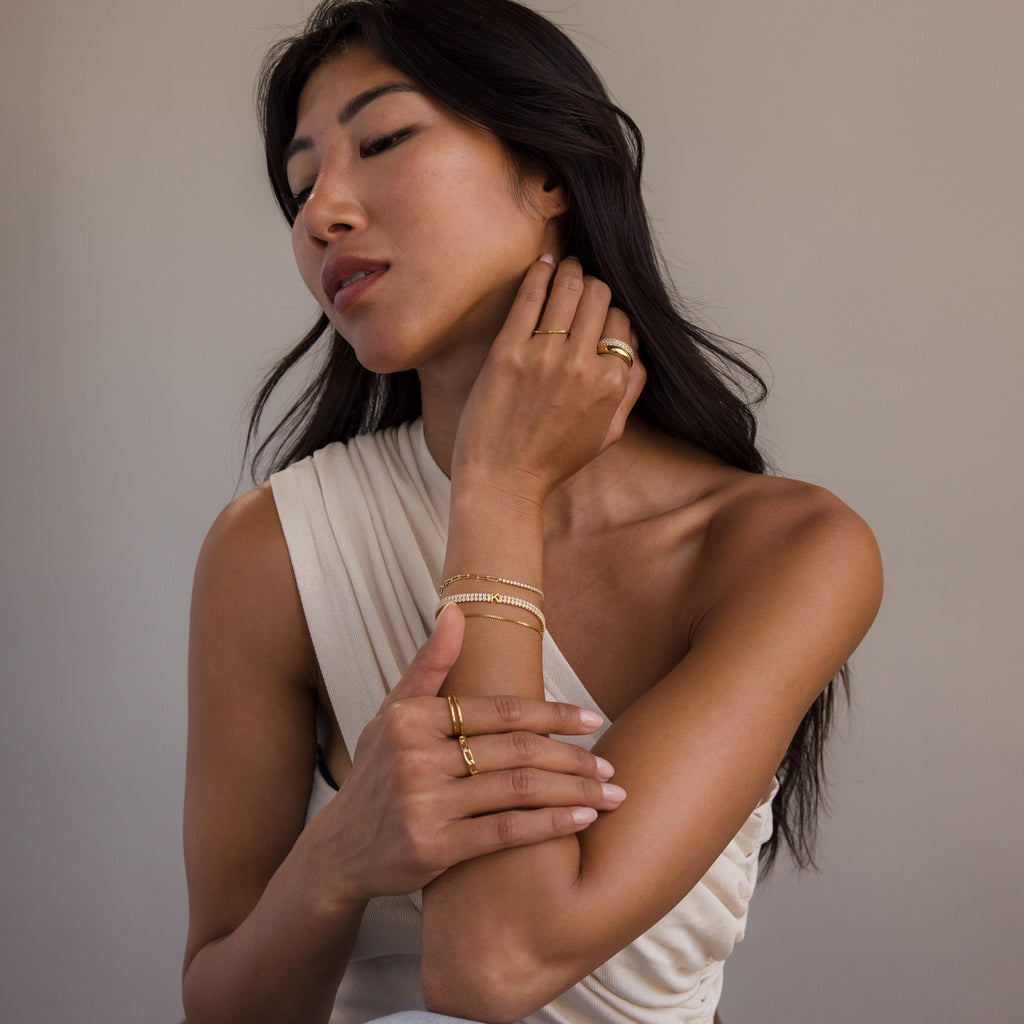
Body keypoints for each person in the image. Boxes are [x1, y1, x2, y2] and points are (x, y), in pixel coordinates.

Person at [181, 1, 883, 1022]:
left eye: (383, 140)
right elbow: (218, 1005)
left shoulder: (790, 552)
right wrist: (335, 859)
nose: (322, 212)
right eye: (299, 188)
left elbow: (494, 966)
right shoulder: (273, 551)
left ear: (548, 169)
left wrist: (498, 489)